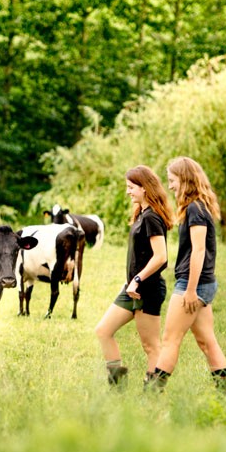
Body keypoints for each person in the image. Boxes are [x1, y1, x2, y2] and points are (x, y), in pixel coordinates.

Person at [148, 156, 226, 390]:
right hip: (202, 283)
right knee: (206, 341)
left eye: (172, 180)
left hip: (192, 283)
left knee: (170, 340)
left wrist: (191, 290)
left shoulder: (195, 208)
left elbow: (199, 251)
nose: (171, 185)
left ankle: (152, 392)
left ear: (184, 180)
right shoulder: (197, 207)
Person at [94, 165, 173, 386]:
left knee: (151, 346)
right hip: (131, 288)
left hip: (146, 290)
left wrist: (138, 279)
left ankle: (153, 390)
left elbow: (161, 257)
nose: (128, 192)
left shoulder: (152, 218)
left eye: (131, 187)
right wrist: (130, 280)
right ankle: (118, 383)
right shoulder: (141, 214)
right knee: (103, 330)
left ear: (145, 188)